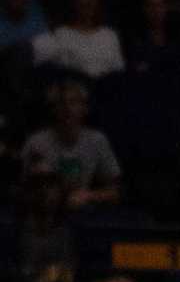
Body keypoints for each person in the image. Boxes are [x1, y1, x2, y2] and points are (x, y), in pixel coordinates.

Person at [21, 76, 122, 211]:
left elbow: (115, 192)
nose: (67, 108)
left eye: (74, 102)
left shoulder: (97, 140)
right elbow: (22, 190)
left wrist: (89, 196)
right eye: (61, 103)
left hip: (85, 213)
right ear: (53, 109)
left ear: (85, 108)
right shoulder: (36, 142)